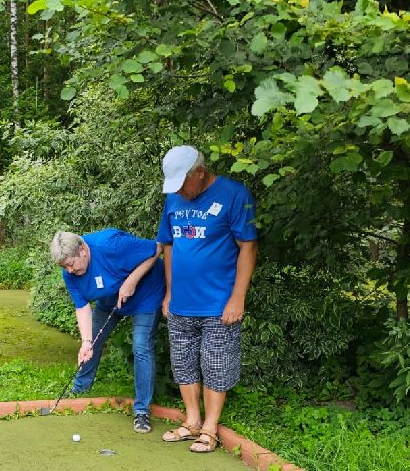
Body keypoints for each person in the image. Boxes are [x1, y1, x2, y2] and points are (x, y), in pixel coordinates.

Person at [157, 145, 258, 452]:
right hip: (181, 302)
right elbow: (169, 246)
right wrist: (170, 293)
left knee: (216, 364)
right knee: (183, 363)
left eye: (182, 183)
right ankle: (191, 421)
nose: (178, 190)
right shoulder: (175, 197)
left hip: (218, 302)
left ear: (199, 173)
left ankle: (211, 427)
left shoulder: (234, 194)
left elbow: (248, 248)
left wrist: (237, 298)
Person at [50, 229, 164, 433]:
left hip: (146, 295)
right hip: (110, 299)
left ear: (83, 250)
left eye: (71, 264)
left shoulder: (112, 245)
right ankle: (80, 390)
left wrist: (131, 281)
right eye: (64, 266)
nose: (69, 270)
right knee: (92, 340)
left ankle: (141, 410)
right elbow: (82, 307)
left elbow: (156, 249)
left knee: (140, 345)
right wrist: (86, 342)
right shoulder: (70, 274)